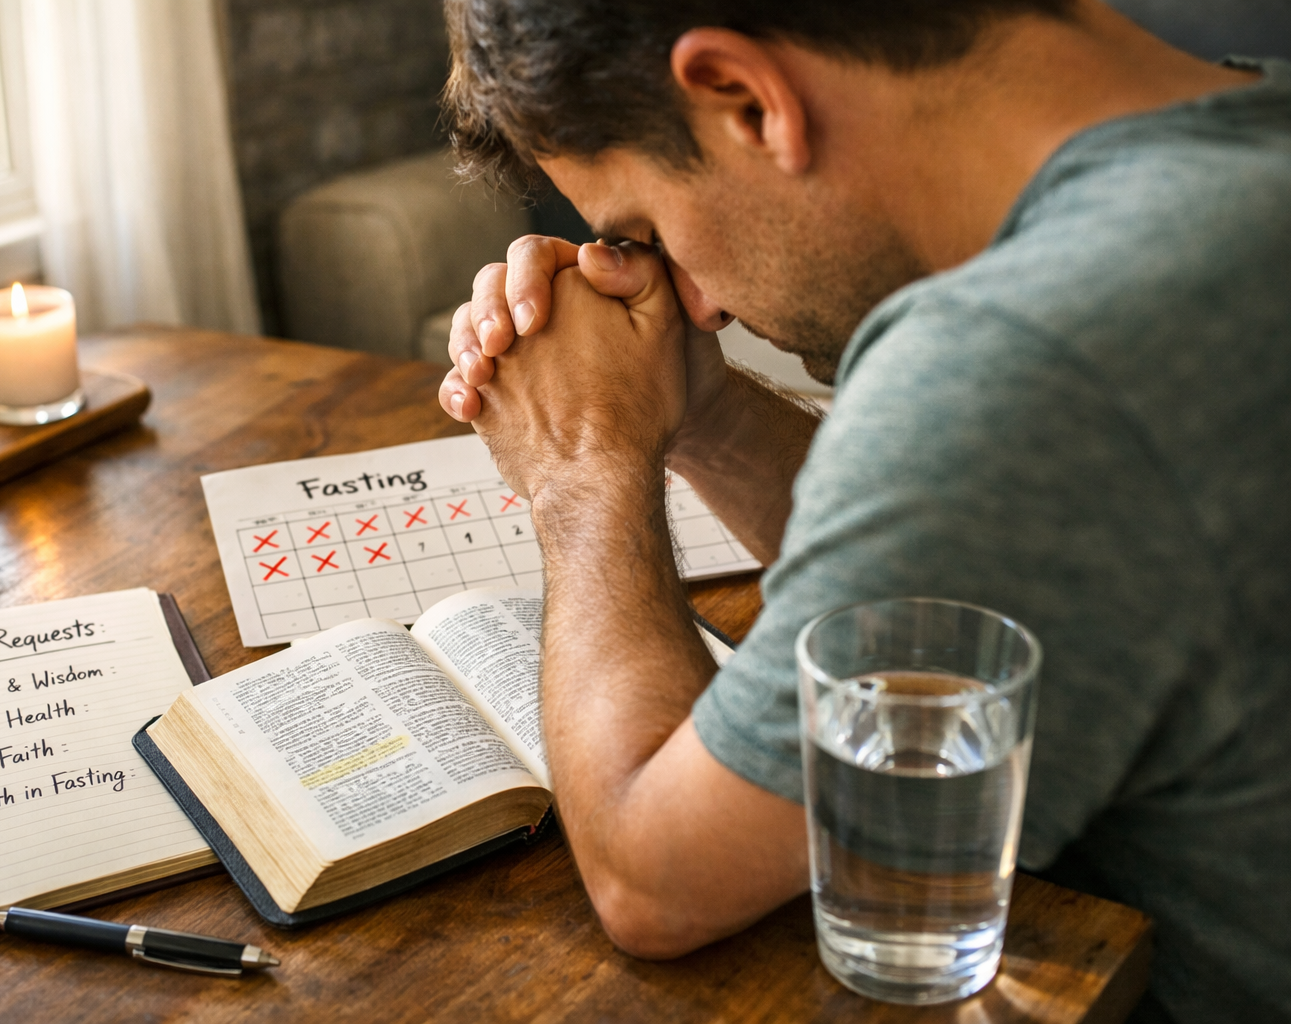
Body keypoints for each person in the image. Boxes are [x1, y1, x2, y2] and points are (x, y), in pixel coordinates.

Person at [432, 1, 1291, 1021]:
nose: (699, 302)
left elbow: (653, 878)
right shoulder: (1247, 139)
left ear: (746, 100)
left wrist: (582, 461)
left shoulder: (1029, 357)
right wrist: (701, 407)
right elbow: (959, 577)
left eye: (647, 230)